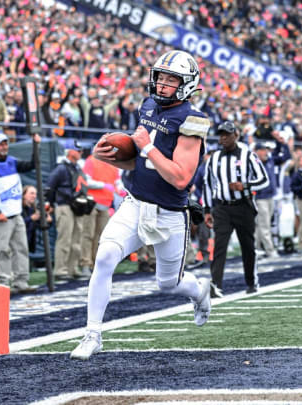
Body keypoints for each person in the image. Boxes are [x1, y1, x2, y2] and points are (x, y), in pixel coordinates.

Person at [71, 50, 213, 360]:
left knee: (168, 284)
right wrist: (114, 157)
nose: (162, 85)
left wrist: (146, 145)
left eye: (171, 80)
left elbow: (180, 178)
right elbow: (141, 165)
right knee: (105, 256)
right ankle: (92, 333)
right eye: (160, 77)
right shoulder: (147, 106)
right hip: (135, 202)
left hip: (171, 212)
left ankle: (199, 290)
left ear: (187, 84)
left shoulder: (193, 120)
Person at [202, 120, 269, 296]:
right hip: (222, 208)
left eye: (227, 135)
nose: (223, 138)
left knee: (247, 246)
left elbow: (264, 180)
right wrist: (207, 210)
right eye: (221, 135)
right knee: (219, 247)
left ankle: (251, 282)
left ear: (236, 136)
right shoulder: (214, 158)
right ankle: (216, 285)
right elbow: (208, 185)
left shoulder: (248, 155)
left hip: (243, 207)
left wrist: (245, 186)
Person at [0, 133, 40, 293]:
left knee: (21, 248)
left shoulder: (12, 161)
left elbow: (33, 164)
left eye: (5, 144)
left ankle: (21, 281)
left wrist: (36, 145)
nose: (4, 147)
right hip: (1, 216)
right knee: (1, 250)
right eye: (0, 144)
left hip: (16, 213)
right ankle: (3, 282)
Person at [46, 142, 95, 280]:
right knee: (65, 239)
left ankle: (72, 268)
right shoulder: (61, 168)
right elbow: (50, 186)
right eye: (77, 150)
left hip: (76, 206)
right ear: (69, 152)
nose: (80, 152)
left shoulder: (77, 168)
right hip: (64, 205)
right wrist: (48, 203)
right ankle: (60, 270)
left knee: (76, 239)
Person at [79, 153, 119, 276]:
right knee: (88, 234)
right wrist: (104, 185)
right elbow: (87, 181)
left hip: (106, 203)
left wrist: (120, 188)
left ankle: (97, 264)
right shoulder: (91, 161)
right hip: (92, 202)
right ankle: (85, 264)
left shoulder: (114, 164)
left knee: (102, 237)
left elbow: (117, 182)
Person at [21, 185, 52, 255]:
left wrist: (48, 221)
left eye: (35, 194)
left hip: (28, 245)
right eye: (31, 193)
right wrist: (31, 218)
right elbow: (17, 224)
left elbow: (41, 226)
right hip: (18, 244)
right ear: (24, 195)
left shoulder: (33, 210)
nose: (34, 196)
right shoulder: (18, 209)